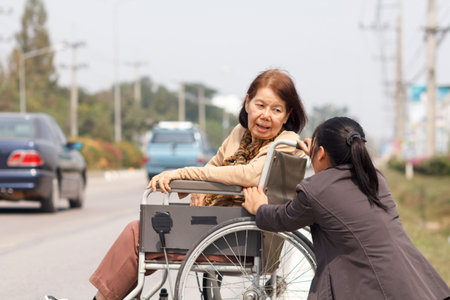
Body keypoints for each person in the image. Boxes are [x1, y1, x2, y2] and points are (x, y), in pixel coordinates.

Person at [54, 69, 307, 300]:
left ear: (287, 115)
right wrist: (190, 185)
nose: (265, 115)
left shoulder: (287, 142)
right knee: (142, 230)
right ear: (247, 102)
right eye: (260, 105)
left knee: (137, 233)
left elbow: (249, 175)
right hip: (220, 226)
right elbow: (213, 167)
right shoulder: (239, 134)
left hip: (242, 237)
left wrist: (182, 174)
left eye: (276, 110)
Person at [242, 116, 450, 300]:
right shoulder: (374, 177)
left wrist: (259, 207)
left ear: (321, 152)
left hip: (375, 288)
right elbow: (333, 192)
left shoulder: (317, 190)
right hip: (412, 278)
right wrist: (317, 154)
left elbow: (283, 218)